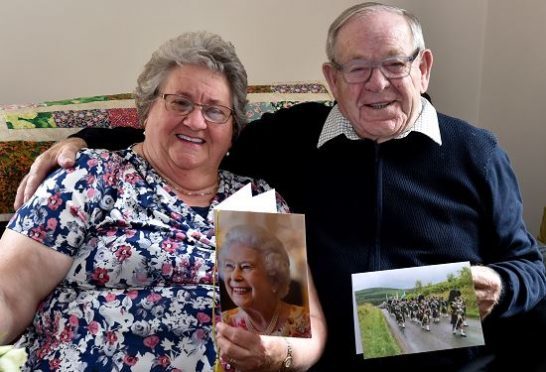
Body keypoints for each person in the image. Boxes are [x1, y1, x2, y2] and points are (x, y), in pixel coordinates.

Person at [13, 2, 546, 371]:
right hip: (335, 362)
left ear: (423, 68)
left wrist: (501, 288)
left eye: (393, 64)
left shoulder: (477, 151)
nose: (377, 83)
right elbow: (192, 134)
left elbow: (530, 264)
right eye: (356, 68)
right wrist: (85, 140)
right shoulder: (290, 138)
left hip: (449, 360)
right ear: (331, 78)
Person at [0, 31, 327, 371]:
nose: (196, 121)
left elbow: (302, 335)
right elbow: (8, 293)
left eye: (215, 111)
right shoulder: (90, 175)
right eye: (180, 102)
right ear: (147, 110)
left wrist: (276, 354)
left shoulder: (255, 202)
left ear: (232, 129)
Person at [218, 224, 311, 338]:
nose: (234, 276)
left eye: (246, 266)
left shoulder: (306, 322)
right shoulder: (221, 323)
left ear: (273, 278)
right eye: (229, 266)